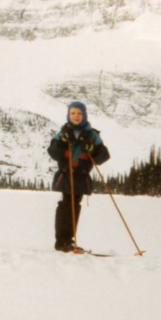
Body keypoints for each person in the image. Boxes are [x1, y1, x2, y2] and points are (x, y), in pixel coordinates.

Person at [46, 101, 110, 253]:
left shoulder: (92, 134)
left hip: (81, 176)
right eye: (73, 113)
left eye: (79, 113)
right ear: (68, 114)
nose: (76, 116)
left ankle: (67, 241)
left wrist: (93, 149)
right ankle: (62, 241)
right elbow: (53, 153)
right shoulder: (63, 132)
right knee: (66, 205)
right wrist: (62, 142)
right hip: (66, 175)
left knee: (74, 205)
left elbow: (103, 156)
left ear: (84, 115)